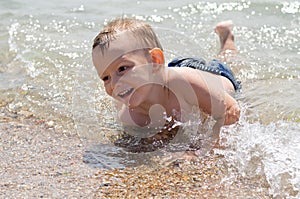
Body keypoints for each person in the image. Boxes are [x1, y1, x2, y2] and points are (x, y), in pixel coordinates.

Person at [92, 18, 240, 149]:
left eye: (122, 68)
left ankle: (227, 38)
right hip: (160, 75)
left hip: (213, 76)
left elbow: (229, 112)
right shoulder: (129, 117)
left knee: (226, 60)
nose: (115, 83)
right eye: (106, 78)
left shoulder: (185, 83)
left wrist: (197, 150)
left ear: (155, 61)